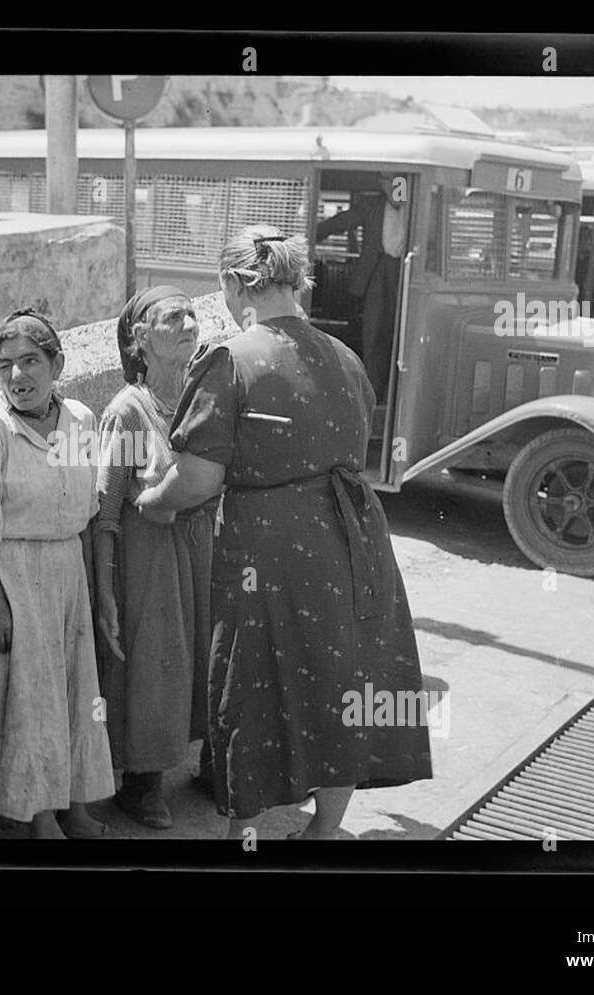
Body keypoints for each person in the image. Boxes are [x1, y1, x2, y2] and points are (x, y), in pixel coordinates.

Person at [135, 224, 432, 839]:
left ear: (231, 285)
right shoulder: (345, 356)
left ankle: (242, 829)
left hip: (269, 550)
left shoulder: (229, 361)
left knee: (254, 681)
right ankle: (322, 833)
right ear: (297, 284)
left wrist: (154, 504)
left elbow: (196, 480)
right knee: (341, 678)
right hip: (356, 539)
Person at [0, 309, 115, 839]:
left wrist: (92, 590)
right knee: (30, 699)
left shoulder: (81, 422)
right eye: (5, 366)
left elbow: (87, 511)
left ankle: (77, 807)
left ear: (57, 363)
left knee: (75, 688)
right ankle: (40, 818)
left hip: (66, 570)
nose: (18, 376)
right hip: (10, 575)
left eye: (30, 361)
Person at [94, 287, 216, 830]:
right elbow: (105, 510)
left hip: (196, 551)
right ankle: (140, 785)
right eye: (174, 317)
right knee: (154, 666)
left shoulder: (199, 395)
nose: (190, 322)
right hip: (149, 560)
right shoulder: (127, 412)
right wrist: (104, 591)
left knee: (198, 654)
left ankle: (203, 765)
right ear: (141, 340)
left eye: (193, 314)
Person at [312, 172, 410, 403]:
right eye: (387, 181)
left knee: (403, 335)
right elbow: (341, 222)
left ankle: (394, 395)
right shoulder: (372, 205)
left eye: (397, 180)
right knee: (373, 333)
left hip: (405, 275)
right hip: (376, 274)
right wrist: (309, 235)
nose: (392, 185)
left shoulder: (420, 207)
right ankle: (372, 393)